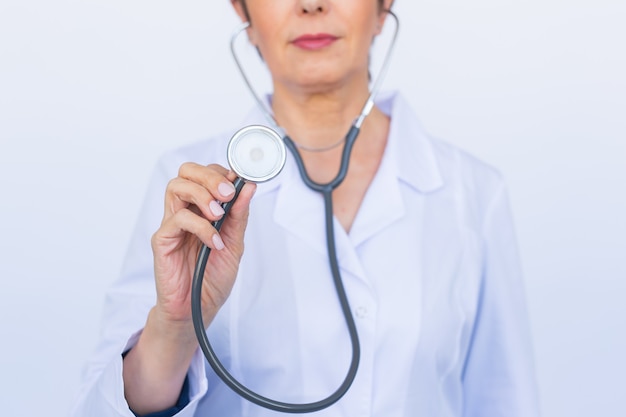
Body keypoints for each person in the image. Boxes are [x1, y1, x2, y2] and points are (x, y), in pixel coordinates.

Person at [71, 0, 540, 416]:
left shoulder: (472, 193)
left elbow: (504, 401)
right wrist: (175, 325)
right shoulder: (185, 187)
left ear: (383, 8)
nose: (311, 5)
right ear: (243, 14)